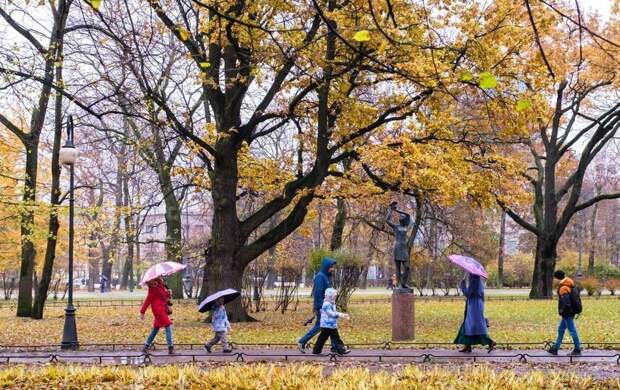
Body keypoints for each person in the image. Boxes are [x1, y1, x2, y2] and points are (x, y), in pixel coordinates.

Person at [298, 257, 337, 353]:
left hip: (327, 306)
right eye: (331, 267)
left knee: (330, 326)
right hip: (322, 307)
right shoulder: (320, 277)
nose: (333, 269)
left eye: (333, 267)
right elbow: (318, 293)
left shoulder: (327, 277)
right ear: (326, 267)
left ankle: (335, 347)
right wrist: (320, 307)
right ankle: (302, 341)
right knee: (321, 325)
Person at [454, 273, 496, 353]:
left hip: (474, 306)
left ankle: (490, 342)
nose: (469, 276)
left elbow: (468, 293)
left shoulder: (474, 281)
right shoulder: (478, 281)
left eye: (470, 274)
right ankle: (467, 345)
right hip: (475, 305)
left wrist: (462, 285)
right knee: (468, 325)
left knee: (474, 325)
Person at [547, 270, 582, 356]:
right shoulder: (569, 285)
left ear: (557, 278)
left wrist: (563, 312)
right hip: (568, 313)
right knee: (561, 330)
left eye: (554, 278)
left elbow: (565, 302)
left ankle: (577, 349)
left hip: (567, 313)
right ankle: (555, 348)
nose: (554, 280)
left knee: (572, 331)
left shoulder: (563, 288)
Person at [140, 277, 175, 354]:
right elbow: (147, 300)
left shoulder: (160, 286)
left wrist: (168, 293)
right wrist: (142, 312)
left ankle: (146, 346)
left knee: (156, 328)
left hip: (162, 309)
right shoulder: (153, 289)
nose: (161, 278)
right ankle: (171, 347)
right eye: (159, 277)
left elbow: (163, 297)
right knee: (168, 325)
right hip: (158, 311)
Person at [312, 288, 350, 355]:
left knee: (328, 338)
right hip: (326, 325)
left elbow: (333, 313)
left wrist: (341, 315)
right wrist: (341, 315)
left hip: (331, 324)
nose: (335, 297)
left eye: (335, 296)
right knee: (327, 338)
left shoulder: (332, 303)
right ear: (330, 296)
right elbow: (331, 313)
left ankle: (316, 351)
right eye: (334, 296)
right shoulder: (326, 304)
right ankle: (341, 350)